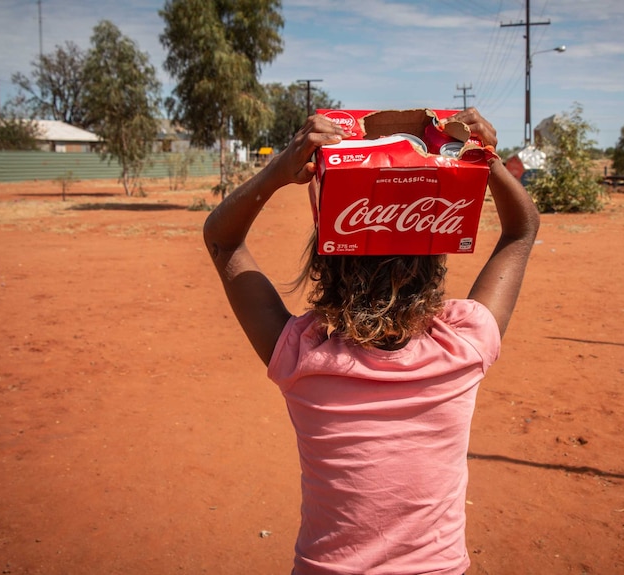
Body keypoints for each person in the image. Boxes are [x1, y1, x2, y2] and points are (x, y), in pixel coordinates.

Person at [203, 108, 540, 575]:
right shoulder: (463, 345)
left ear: (326, 261)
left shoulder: (303, 355)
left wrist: (281, 170)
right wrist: (489, 163)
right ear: (433, 259)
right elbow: (521, 233)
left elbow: (223, 241)